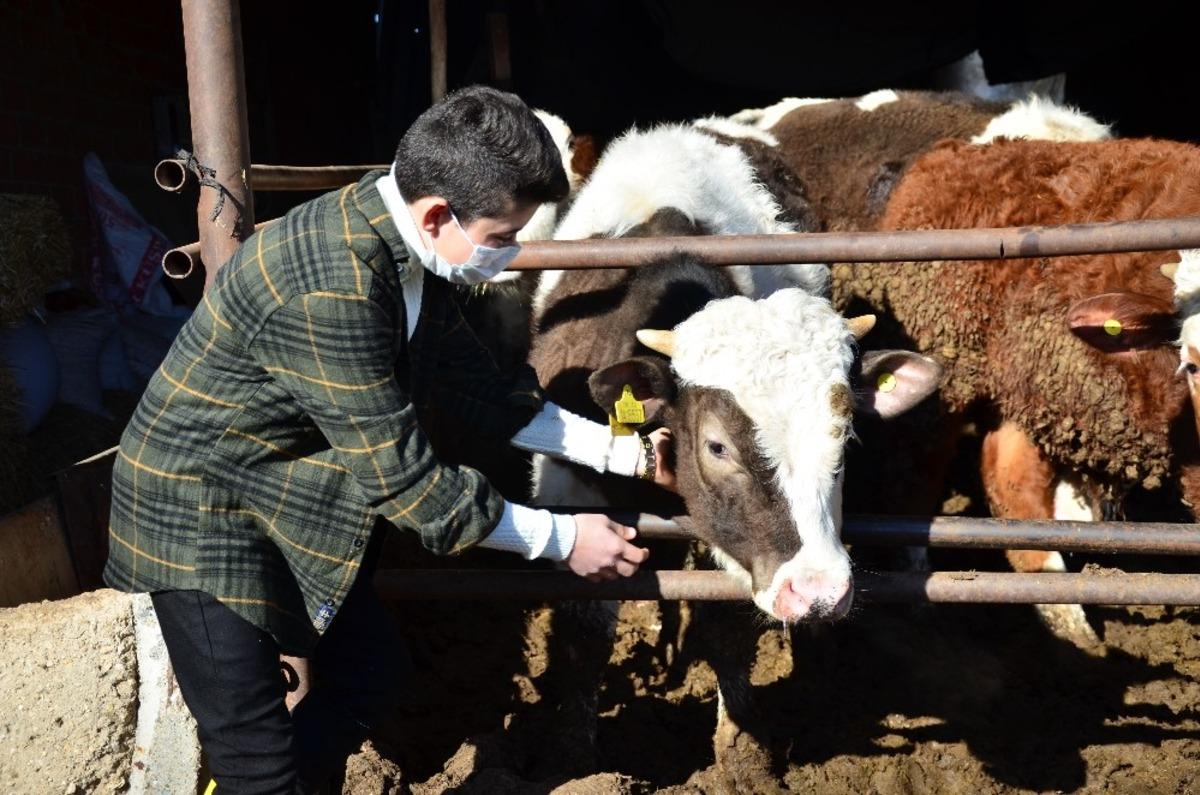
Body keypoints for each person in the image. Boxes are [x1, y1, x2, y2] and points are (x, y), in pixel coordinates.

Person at [103, 85, 672, 793]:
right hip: (197, 519)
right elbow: (410, 485)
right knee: (254, 749)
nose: (510, 255)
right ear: (437, 214)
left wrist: (626, 452)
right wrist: (562, 539)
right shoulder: (332, 285)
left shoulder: (408, 248)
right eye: (501, 238)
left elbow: (480, 391)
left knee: (371, 676)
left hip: (281, 490)